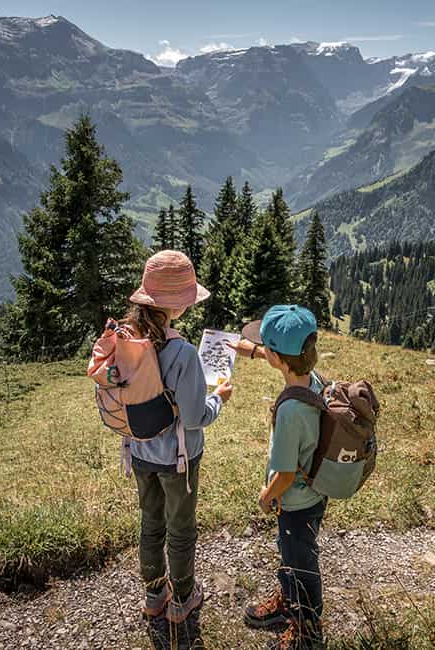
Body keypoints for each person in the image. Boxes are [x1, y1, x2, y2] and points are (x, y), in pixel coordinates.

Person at [123, 250, 233, 650]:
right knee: (180, 529)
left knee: (151, 524)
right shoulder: (184, 354)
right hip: (178, 458)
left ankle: (154, 597)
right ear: (180, 304)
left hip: (138, 452)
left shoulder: (127, 340)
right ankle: (183, 600)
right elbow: (194, 418)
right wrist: (219, 397)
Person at [232, 305, 326, 650]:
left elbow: (285, 473)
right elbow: (289, 363)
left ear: (276, 356)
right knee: (292, 554)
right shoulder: (312, 381)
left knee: (301, 563)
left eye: (265, 347)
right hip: (314, 494)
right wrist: (256, 352)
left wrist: (267, 496)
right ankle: (287, 602)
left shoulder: (289, 411)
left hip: (295, 501)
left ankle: (307, 629)